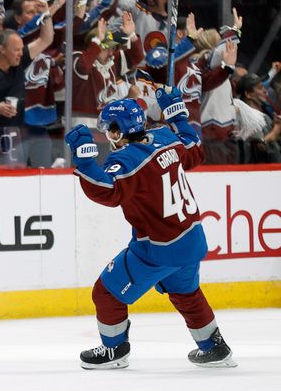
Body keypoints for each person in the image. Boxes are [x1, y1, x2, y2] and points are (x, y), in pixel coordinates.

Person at [64, 89, 236, 370]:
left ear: (120, 131)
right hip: (192, 238)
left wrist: (83, 159)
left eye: (110, 130)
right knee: (186, 293)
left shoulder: (128, 161)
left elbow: (107, 190)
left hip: (159, 248)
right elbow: (194, 148)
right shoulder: (166, 138)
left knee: (105, 293)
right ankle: (213, 347)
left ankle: (113, 350)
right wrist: (178, 115)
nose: (108, 136)